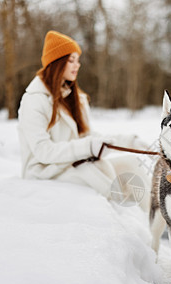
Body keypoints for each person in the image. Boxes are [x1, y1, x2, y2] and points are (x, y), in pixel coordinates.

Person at [17, 30, 150, 209]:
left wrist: (129, 141)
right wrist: (87, 147)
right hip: (45, 171)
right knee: (104, 178)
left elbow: (88, 135)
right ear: (56, 63)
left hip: (75, 164)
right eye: (71, 60)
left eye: (77, 60)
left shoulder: (76, 98)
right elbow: (42, 151)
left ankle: (160, 223)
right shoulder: (34, 99)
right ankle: (129, 225)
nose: (77, 65)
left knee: (131, 165)